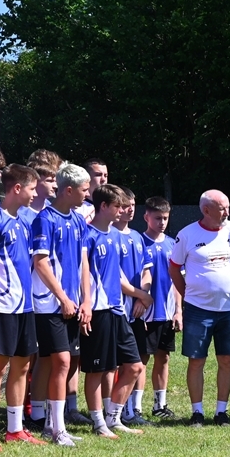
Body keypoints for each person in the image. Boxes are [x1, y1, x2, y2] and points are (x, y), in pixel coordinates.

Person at [0, 164, 45, 449]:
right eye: (31, 188)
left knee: (23, 365)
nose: (35, 194)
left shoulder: (24, 222)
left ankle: (15, 429)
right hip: (1, 305)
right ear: (17, 188)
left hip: (25, 306)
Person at [29, 164, 93, 445]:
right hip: (49, 304)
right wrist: (63, 298)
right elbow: (40, 263)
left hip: (73, 304)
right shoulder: (45, 219)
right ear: (68, 190)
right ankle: (57, 429)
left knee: (58, 362)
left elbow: (83, 262)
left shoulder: (78, 220)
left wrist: (86, 299)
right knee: (62, 362)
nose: (87, 194)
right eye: (84, 189)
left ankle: (49, 424)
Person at [79, 185, 149, 437]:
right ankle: (99, 423)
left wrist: (137, 293)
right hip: (97, 311)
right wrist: (86, 304)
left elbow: (117, 273)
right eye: (118, 206)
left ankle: (114, 418)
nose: (122, 210)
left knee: (134, 366)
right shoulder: (87, 235)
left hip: (117, 310)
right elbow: (82, 273)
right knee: (97, 370)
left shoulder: (116, 236)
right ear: (104, 206)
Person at [169, 190, 230, 426]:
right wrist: (189, 294)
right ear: (206, 210)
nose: (227, 212)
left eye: (228, 207)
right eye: (222, 208)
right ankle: (197, 412)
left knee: (227, 360)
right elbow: (174, 268)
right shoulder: (187, 234)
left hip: (229, 308)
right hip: (197, 309)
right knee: (196, 360)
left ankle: (222, 412)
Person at [137, 196, 181, 419]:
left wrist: (178, 310)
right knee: (141, 360)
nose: (162, 222)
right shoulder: (138, 242)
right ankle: (135, 407)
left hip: (167, 312)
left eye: (165, 218)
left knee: (163, 357)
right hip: (146, 313)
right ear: (146, 217)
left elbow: (177, 281)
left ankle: (159, 405)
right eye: (157, 218)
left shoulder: (173, 244)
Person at [112, 188, 152, 426]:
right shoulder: (109, 235)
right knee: (116, 364)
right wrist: (141, 295)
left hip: (136, 308)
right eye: (125, 205)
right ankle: (110, 411)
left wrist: (142, 297)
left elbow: (147, 271)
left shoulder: (137, 236)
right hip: (116, 308)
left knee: (137, 360)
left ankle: (129, 410)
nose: (130, 209)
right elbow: (116, 278)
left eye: (133, 205)